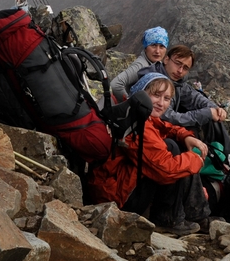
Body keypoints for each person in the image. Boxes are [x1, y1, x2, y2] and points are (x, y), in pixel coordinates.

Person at [87, 73, 211, 235]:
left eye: (167, 99)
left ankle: (195, 216)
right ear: (141, 93)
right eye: (156, 95)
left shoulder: (137, 113)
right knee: (174, 153)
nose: (161, 103)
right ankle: (171, 219)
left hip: (120, 185)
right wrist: (196, 159)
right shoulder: (139, 125)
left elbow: (165, 126)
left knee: (176, 147)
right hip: (119, 198)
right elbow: (167, 170)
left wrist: (185, 136)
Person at [138, 45, 230, 153]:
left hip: (165, 127)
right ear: (166, 59)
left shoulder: (177, 82)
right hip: (149, 130)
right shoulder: (155, 81)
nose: (180, 71)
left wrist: (215, 108)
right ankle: (208, 159)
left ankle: (221, 156)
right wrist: (206, 114)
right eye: (177, 63)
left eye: (185, 68)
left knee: (210, 117)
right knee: (200, 121)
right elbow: (168, 117)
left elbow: (194, 97)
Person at [111, 27, 170, 101]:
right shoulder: (141, 66)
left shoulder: (155, 64)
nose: (157, 51)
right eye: (153, 45)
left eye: (162, 46)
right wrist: (130, 104)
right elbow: (115, 84)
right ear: (146, 48)